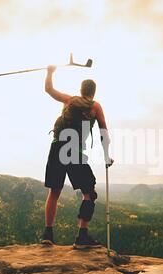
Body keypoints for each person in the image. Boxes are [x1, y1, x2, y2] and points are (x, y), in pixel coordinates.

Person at [42, 65, 113, 248]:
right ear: (93, 92)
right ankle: (82, 236)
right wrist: (106, 156)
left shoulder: (69, 100)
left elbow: (48, 89)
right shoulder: (95, 107)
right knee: (89, 192)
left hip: (57, 146)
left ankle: (47, 234)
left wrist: (50, 72)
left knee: (54, 191)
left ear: (81, 90)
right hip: (74, 150)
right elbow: (103, 131)